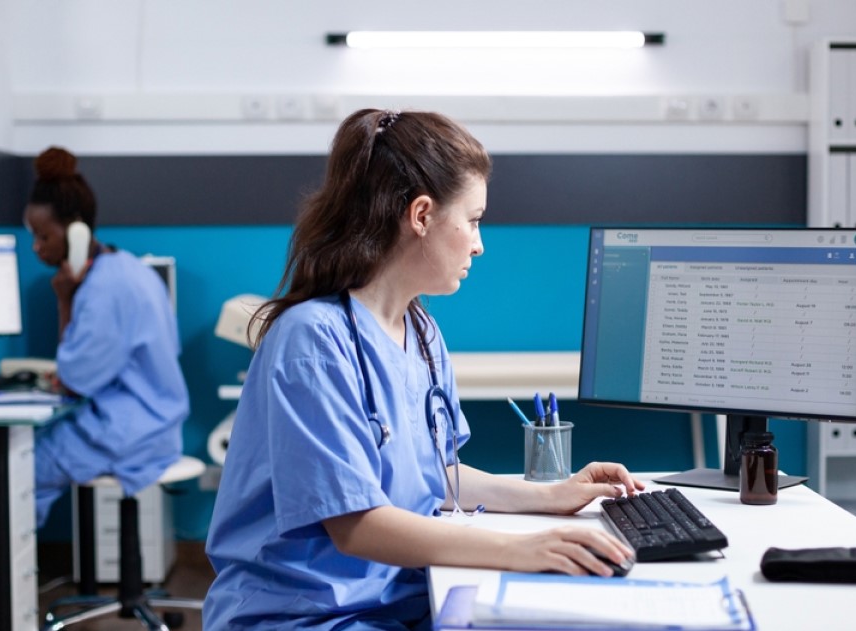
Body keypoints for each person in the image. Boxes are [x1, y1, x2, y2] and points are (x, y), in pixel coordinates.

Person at [204, 109, 644, 630]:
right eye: (474, 220)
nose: (480, 244)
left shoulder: (422, 332)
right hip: (306, 616)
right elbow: (357, 526)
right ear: (421, 215)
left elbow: (433, 473)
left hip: (397, 599)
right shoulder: (313, 342)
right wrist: (522, 548)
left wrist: (551, 496)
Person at [24, 146, 190, 526]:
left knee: (14, 469)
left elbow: (74, 381)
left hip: (131, 433)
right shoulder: (130, 268)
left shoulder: (103, 290)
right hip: (152, 423)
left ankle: (2, 581)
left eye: (42, 236)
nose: (36, 247)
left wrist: (65, 300)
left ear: (77, 231)